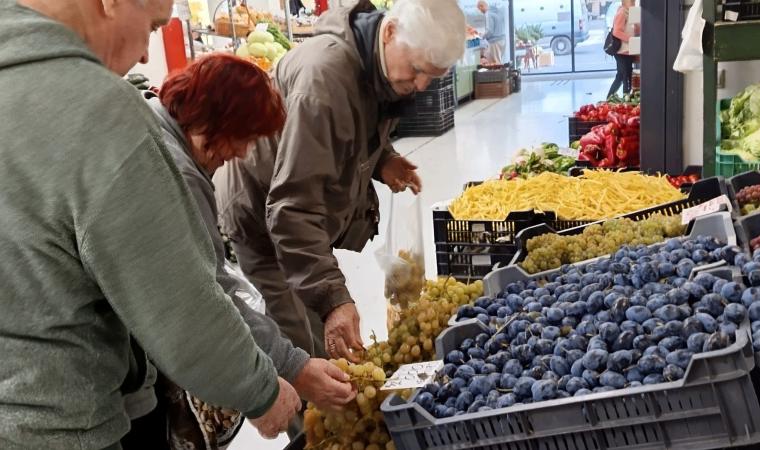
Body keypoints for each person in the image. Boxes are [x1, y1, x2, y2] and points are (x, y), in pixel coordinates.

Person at [0, 0, 301, 446]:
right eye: (154, 25)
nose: (146, 56)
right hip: (60, 424)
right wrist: (263, 390)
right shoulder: (99, 110)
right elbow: (180, 303)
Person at [121, 53, 358, 448]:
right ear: (216, 119)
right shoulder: (176, 173)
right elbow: (207, 299)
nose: (242, 154)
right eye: (244, 137)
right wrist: (281, 375)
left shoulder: (160, 137)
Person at [214, 0, 466, 363]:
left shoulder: (375, 65)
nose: (421, 84)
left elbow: (346, 131)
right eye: (416, 69)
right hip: (263, 219)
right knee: (306, 356)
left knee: (324, 341)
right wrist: (334, 300)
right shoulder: (325, 80)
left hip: (296, 213)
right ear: (391, 31)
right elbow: (292, 210)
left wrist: (383, 160)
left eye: (433, 75)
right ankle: (306, 417)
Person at [607, 0, 636, 98]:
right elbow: (616, 32)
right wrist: (631, 39)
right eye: (631, 1)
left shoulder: (629, 12)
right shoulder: (622, 13)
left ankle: (610, 98)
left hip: (627, 51)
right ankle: (626, 100)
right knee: (626, 77)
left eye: (634, 1)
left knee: (621, 76)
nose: (633, 3)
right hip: (621, 51)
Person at [477, 0, 506, 65]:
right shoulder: (497, 12)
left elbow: (490, 31)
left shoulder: (489, 14)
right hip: (502, 40)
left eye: (479, 9)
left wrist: (481, 36)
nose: (479, 11)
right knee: (497, 61)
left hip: (495, 42)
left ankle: (498, 75)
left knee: (496, 63)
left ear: (481, 6)